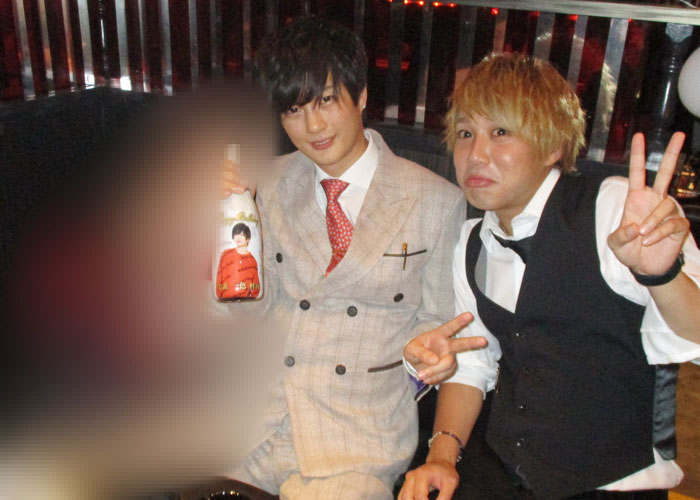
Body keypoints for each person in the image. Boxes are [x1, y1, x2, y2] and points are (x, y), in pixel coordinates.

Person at [399, 53, 700, 500]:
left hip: (613, 483)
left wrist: (662, 276)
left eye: (501, 132)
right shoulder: (473, 241)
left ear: (553, 146)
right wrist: (441, 457)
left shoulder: (613, 210)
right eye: (465, 133)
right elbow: (474, 362)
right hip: (506, 470)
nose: (475, 155)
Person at [221, 16, 486, 500]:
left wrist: (424, 358)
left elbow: (436, 322)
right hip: (251, 424)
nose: (313, 126)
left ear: (361, 95)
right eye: (294, 109)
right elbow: (242, 311)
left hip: (354, 438)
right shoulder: (267, 182)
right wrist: (219, 225)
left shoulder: (435, 201)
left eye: (326, 100)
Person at [216, 222, 261, 299]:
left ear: (248, 239)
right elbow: (219, 278)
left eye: (242, 235)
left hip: (245, 301)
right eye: (236, 234)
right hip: (225, 300)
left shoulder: (252, 261)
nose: (238, 237)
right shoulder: (225, 254)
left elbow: (255, 288)